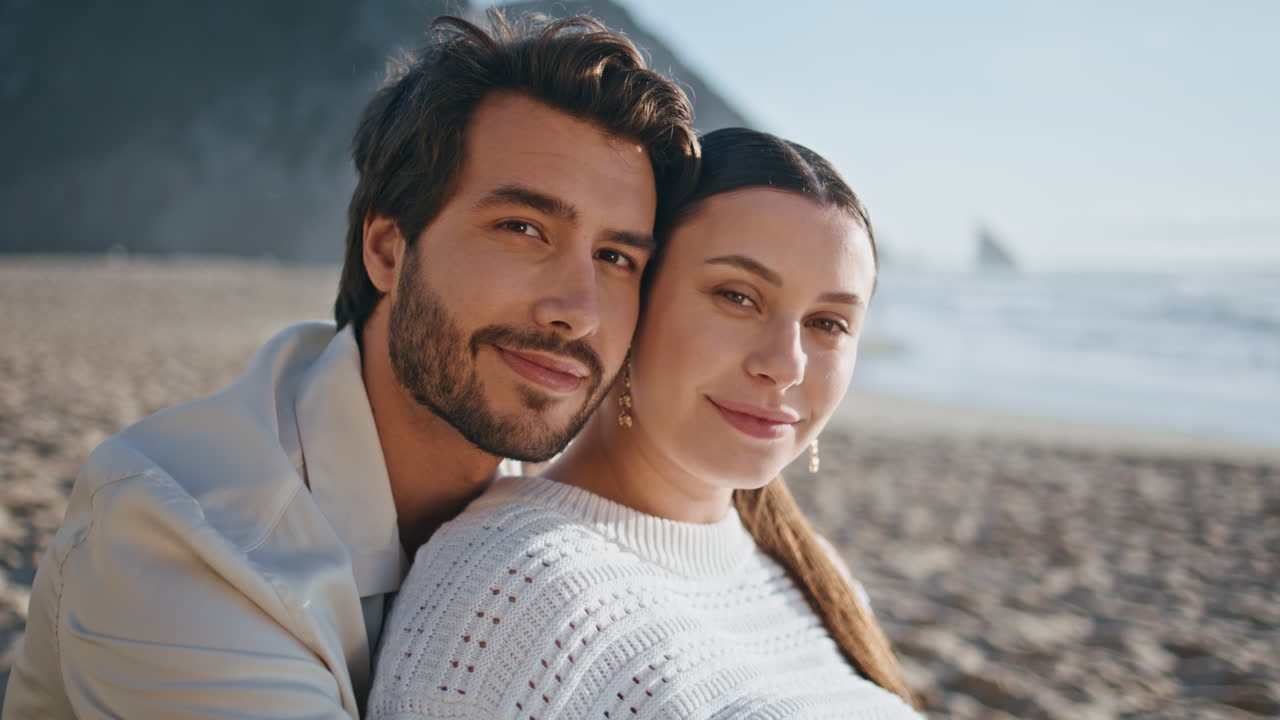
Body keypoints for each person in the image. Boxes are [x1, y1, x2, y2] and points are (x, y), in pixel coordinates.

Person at [2, 13, 698, 719]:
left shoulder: (563, 505)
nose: (576, 311)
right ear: (388, 250)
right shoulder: (186, 537)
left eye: (616, 257)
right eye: (522, 228)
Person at [366, 128, 924, 718]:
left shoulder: (816, 575)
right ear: (629, 298)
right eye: (737, 296)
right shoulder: (505, 588)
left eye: (829, 324)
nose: (784, 366)